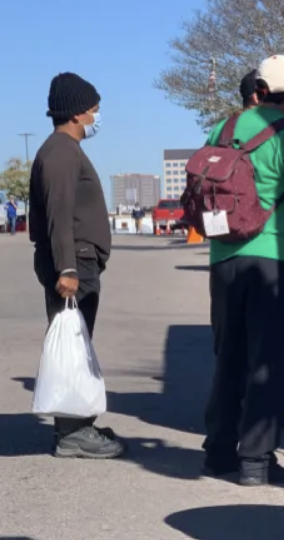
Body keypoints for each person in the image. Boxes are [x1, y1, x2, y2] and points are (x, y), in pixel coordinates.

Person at [201, 54, 284, 486]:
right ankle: (255, 460)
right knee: (270, 362)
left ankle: (218, 452)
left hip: (223, 259)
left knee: (229, 357)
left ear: (257, 89)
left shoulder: (225, 128)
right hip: (275, 258)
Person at [29, 72, 123, 459]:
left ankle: (78, 424)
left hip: (82, 261)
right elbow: (58, 213)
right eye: (94, 110)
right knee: (72, 345)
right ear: (76, 113)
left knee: (78, 343)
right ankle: (72, 433)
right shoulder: (61, 153)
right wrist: (66, 267)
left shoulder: (65, 150)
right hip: (74, 265)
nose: (98, 116)